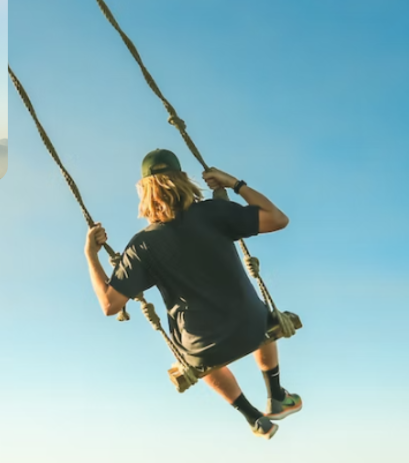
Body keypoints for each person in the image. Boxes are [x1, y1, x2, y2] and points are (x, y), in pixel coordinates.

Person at [84, 148, 302, 439]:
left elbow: (110, 305)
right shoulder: (214, 212)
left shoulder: (141, 247)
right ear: (183, 180)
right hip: (253, 327)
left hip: (204, 349)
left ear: (145, 192)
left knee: (191, 354)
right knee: (259, 313)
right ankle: (276, 395)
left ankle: (253, 417)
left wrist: (91, 254)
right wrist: (235, 184)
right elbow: (278, 219)